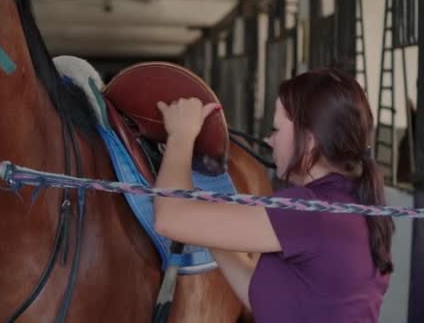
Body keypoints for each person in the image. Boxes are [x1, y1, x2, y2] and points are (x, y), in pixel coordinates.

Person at [154, 68, 393, 322]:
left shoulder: (309, 210)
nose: (269, 140)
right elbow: (261, 296)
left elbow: (168, 218)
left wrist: (180, 135)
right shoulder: (351, 204)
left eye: (276, 129)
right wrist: (210, 230)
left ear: (309, 142)